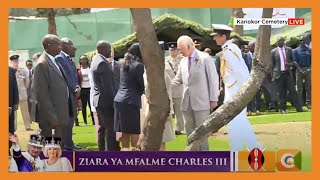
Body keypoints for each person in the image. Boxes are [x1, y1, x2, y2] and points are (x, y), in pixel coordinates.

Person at [211, 24, 261, 151]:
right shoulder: (228, 48)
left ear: (223, 36)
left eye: (216, 36)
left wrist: (242, 91)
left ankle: (252, 150)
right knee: (236, 122)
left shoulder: (229, 49)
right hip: (232, 88)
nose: (214, 39)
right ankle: (247, 149)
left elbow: (240, 70)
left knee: (236, 120)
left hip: (235, 89)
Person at [172, 35, 219, 151]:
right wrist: (162, 85)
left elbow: (213, 80)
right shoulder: (183, 61)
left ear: (189, 46)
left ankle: (204, 161)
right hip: (186, 103)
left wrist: (213, 99)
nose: (179, 51)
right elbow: (177, 80)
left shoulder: (205, 58)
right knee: (190, 134)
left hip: (201, 102)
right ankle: (192, 159)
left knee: (202, 133)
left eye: (181, 48)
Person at [31, 34, 70, 146]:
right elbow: (41, 95)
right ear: (48, 46)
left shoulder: (54, 60)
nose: (60, 47)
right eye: (58, 44)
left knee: (58, 149)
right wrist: (52, 117)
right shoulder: (42, 64)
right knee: (51, 150)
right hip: (51, 118)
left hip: (60, 113)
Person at [114, 44, 145, 149]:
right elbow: (141, 84)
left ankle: (125, 153)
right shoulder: (138, 65)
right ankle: (134, 156)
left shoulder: (122, 64)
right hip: (131, 100)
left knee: (125, 130)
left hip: (120, 99)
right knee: (134, 130)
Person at [91, 40, 120, 151]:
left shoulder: (96, 60)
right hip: (106, 102)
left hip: (99, 101)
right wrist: (114, 103)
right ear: (104, 49)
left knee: (102, 128)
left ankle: (102, 151)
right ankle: (109, 154)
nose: (111, 52)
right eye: (110, 49)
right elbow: (108, 87)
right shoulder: (103, 63)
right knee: (110, 129)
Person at [56, 37, 82, 150]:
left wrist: (76, 87)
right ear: (64, 46)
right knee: (67, 121)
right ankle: (67, 144)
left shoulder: (68, 58)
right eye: (72, 46)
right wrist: (75, 89)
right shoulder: (60, 58)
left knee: (71, 120)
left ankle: (69, 142)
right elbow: (67, 76)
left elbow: (73, 76)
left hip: (72, 94)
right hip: (67, 95)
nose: (74, 49)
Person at [271, 36, 304, 113]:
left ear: (283, 41)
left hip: (287, 73)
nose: (280, 42)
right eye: (278, 41)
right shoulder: (273, 51)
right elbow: (272, 65)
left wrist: (289, 64)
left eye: (281, 41)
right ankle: (282, 109)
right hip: (279, 74)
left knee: (292, 91)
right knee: (281, 92)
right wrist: (273, 75)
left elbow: (293, 61)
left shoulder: (289, 50)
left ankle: (299, 108)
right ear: (277, 42)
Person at [165, 42, 185, 135]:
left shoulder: (182, 60)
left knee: (179, 110)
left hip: (179, 88)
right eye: (171, 50)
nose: (173, 52)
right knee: (168, 110)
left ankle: (179, 128)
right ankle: (168, 129)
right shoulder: (165, 61)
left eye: (175, 50)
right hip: (168, 89)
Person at [10, 55, 32, 131]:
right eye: (14, 61)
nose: (16, 63)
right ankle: (14, 127)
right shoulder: (9, 71)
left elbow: (27, 83)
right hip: (12, 95)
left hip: (22, 94)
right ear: (11, 62)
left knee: (25, 111)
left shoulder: (23, 71)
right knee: (14, 112)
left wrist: (23, 90)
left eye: (17, 61)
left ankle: (28, 126)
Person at [293, 36, 311, 109]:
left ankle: (308, 103)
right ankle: (300, 103)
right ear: (299, 42)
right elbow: (294, 61)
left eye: (303, 40)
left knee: (308, 87)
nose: (302, 42)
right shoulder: (296, 50)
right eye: (301, 40)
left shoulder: (309, 50)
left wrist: (309, 69)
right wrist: (299, 69)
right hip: (299, 70)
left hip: (307, 70)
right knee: (299, 88)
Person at [77, 55, 95, 126]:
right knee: (84, 106)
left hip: (90, 89)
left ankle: (93, 121)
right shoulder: (78, 69)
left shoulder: (90, 68)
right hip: (83, 89)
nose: (83, 61)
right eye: (82, 60)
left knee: (91, 106)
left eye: (85, 59)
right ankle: (85, 121)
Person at [9, 66, 19, 155]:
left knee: (10, 129)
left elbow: (15, 88)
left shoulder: (11, 70)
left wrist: (16, 102)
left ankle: (7, 148)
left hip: (10, 106)